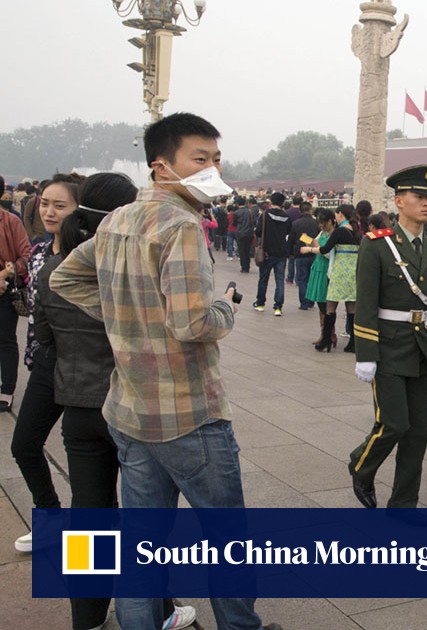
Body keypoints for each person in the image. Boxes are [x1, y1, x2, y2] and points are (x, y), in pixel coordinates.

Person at [50, 112, 278, 630]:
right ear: (162, 167)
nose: (212, 168)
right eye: (199, 159)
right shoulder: (180, 226)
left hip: (128, 410)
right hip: (188, 414)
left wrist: (125, 313)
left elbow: (65, 278)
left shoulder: (118, 219)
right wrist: (227, 306)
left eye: (217, 159)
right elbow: (193, 322)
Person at [39, 172, 197, 630]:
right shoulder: (131, 270)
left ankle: (86, 615)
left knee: (88, 514)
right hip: (130, 407)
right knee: (146, 516)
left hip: (77, 408)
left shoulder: (54, 269)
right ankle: (159, 610)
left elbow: (43, 344)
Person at [346, 165, 427, 510]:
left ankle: (404, 505)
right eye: (419, 197)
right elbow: (365, 302)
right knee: (394, 423)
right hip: (386, 346)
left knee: (417, 434)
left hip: (422, 349)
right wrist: (365, 352)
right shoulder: (378, 245)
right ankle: (361, 464)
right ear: (399, 201)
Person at [10, 174, 77, 553]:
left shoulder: (86, 255)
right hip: (44, 364)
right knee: (24, 445)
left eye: (60, 205)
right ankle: (50, 516)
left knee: (90, 473)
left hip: (84, 370)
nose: (49, 211)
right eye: (45, 203)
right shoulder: (37, 251)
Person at [300, 205, 359, 353]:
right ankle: (353, 343)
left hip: (339, 272)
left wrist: (309, 249)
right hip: (352, 272)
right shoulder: (356, 231)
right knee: (351, 307)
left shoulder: (340, 231)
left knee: (330, 306)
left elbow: (325, 249)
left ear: (340, 214)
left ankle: (326, 339)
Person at [0, 178, 32, 413]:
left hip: (5, 290)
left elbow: (26, 255)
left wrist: (6, 273)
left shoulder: (10, 221)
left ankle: (7, 389)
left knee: (5, 339)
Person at [253, 192, 292, 315]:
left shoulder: (265, 215)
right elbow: (288, 232)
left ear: (271, 202)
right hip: (281, 252)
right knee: (279, 280)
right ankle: (278, 307)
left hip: (267, 252)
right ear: (282, 203)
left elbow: (258, 232)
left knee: (263, 279)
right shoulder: (287, 217)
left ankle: (260, 304)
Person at [305, 208, 336, 350]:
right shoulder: (322, 233)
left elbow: (329, 254)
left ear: (330, 221)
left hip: (326, 269)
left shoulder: (334, 235)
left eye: (323, 223)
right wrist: (307, 240)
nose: (321, 226)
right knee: (320, 302)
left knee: (325, 303)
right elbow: (315, 243)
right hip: (317, 268)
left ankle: (328, 333)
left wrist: (316, 247)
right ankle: (325, 332)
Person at [289, 201, 319, 311]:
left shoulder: (296, 223)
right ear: (310, 210)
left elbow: (291, 239)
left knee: (302, 280)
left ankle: (304, 303)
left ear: (300, 210)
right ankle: (311, 301)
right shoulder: (316, 223)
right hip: (314, 253)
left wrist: (291, 252)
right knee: (312, 279)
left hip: (300, 254)